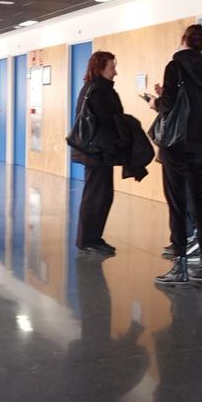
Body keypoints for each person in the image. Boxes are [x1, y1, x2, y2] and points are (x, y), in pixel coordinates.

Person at [150, 24, 202, 286]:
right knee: (201, 205)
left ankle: (179, 267)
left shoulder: (174, 66)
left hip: (177, 148)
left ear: (183, 40)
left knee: (178, 206)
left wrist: (156, 102)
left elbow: (167, 105)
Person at [71, 51, 124, 256]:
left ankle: (93, 237)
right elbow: (108, 121)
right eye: (112, 67)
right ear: (101, 68)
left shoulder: (99, 88)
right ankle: (87, 240)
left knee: (102, 195)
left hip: (101, 151)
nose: (115, 72)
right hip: (96, 152)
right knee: (96, 196)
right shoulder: (98, 90)